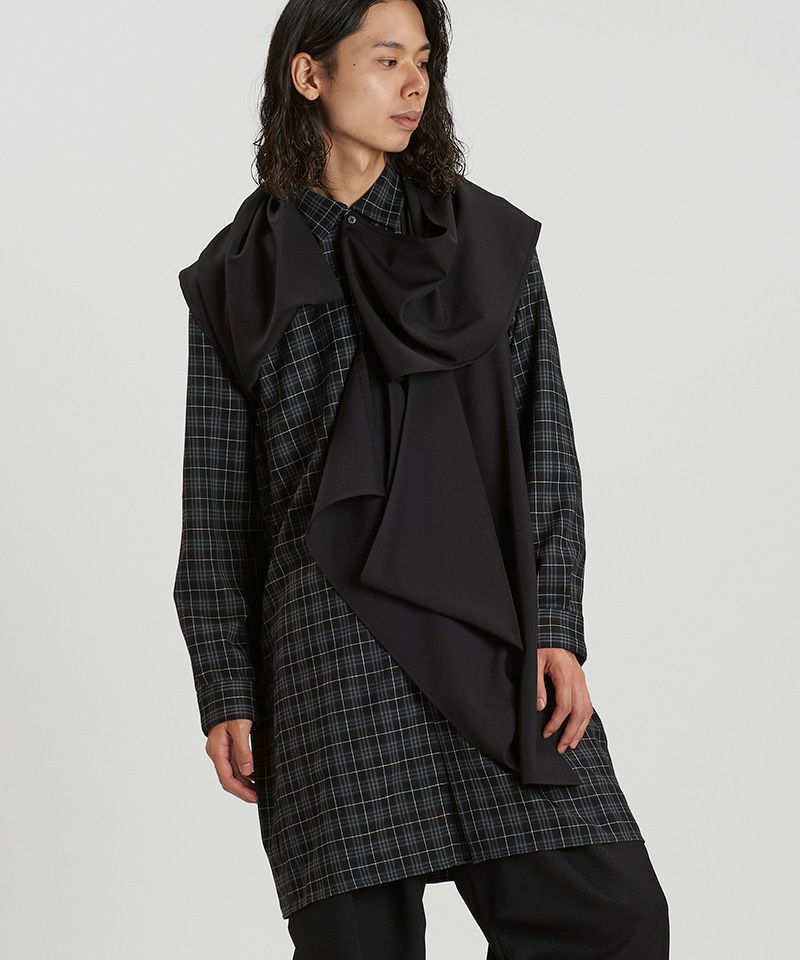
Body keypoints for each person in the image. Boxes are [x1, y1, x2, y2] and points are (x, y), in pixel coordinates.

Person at [172, 1, 670, 956]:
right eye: (387, 59)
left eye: (425, 62)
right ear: (309, 75)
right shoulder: (237, 279)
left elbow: (545, 441)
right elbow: (218, 502)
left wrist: (556, 624)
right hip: (325, 654)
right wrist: (225, 684)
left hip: (483, 627)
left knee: (616, 919)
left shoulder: (484, 243)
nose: (414, 85)